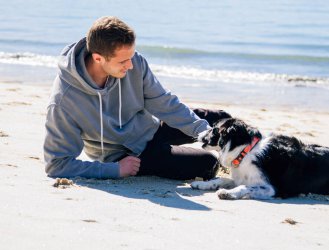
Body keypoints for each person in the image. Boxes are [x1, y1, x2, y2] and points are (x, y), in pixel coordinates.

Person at [43, 16, 231, 180]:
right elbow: (57, 165)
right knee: (208, 165)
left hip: (152, 129)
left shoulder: (134, 63)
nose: (131, 66)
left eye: (131, 57)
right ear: (98, 58)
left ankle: (255, 158)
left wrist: (206, 133)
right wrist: (116, 170)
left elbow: (164, 103)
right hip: (128, 156)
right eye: (123, 61)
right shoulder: (64, 101)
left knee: (221, 121)